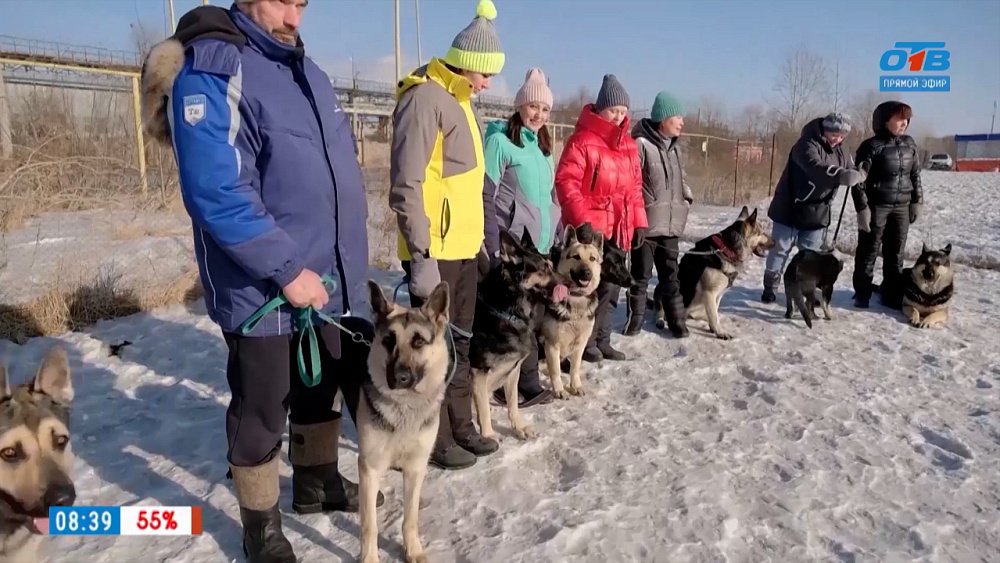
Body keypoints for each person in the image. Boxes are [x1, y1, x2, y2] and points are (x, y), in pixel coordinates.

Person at [140, 1, 378, 560]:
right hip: (262, 289)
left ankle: (317, 477)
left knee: (322, 387)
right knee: (262, 406)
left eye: (302, 4)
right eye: (282, 1)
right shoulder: (216, 67)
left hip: (326, 278)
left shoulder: (308, 74)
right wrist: (286, 269)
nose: (294, 17)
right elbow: (216, 190)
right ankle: (260, 521)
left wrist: (342, 268)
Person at [390, 0, 505, 470]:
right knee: (429, 350)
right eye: (486, 73)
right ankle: (430, 440)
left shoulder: (461, 101)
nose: (490, 83)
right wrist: (421, 256)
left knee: (458, 341)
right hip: (434, 251)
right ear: (469, 64)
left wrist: (478, 239)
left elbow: (467, 183)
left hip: (461, 248)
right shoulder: (425, 99)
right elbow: (407, 184)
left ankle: (459, 426)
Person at [554, 74, 648, 362]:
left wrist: (639, 221)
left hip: (619, 225)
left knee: (611, 287)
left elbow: (633, 187)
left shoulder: (629, 146)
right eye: (613, 111)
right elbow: (566, 181)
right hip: (591, 228)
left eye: (623, 112)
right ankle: (582, 343)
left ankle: (602, 339)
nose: (619, 117)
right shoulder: (582, 141)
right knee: (586, 286)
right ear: (600, 109)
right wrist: (581, 220)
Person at [482, 67, 558, 408]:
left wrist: (556, 228)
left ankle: (525, 379)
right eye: (533, 107)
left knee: (530, 317)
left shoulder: (543, 149)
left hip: (539, 247)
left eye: (544, 110)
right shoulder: (500, 142)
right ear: (519, 106)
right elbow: (486, 193)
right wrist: (493, 242)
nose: (538, 115)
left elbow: (549, 197)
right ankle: (512, 382)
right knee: (509, 317)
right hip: (512, 245)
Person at [761, 112, 866, 303]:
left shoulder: (842, 151)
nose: (837, 139)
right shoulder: (805, 144)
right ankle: (770, 286)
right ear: (825, 129)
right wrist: (840, 175)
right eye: (834, 134)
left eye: (842, 136)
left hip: (817, 211)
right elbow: (814, 167)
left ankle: (805, 289)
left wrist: (859, 173)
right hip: (789, 207)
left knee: (810, 254)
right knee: (780, 249)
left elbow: (851, 168)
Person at [624, 90, 693, 338]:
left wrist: (686, 196)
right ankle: (636, 321)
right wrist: (637, 216)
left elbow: (680, 178)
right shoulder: (640, 145)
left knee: (671, 276)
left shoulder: (675, 148)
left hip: (670, 224)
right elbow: (631, 183)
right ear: (663, 119)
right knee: (640, 275)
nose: (682, 122)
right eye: (678, 117)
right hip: (646, 225)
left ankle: (677, 321)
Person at [851, 101, 923, 309]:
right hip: (877, 207)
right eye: (899, 119)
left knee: (896, 253)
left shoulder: (910, 144)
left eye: (907, 119)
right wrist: (862, 209)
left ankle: (891, 294)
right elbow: (858, 181)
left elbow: (915, 174)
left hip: (902, 207)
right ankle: (862, 294)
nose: (904, 123)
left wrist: (917, 201)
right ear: (884, 120)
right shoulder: (870, 146)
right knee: (868, 251)